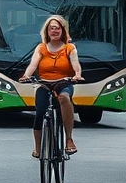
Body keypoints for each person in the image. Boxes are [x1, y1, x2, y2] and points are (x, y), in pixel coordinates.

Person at [18, 15, 83, 158]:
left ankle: (69, 139)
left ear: (63, 31)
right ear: (47, 31)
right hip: (45, 84)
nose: (54, 30)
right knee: (40, 113)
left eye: (57, 28)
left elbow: (75, 64)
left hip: (64, 83)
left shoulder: (69, 48)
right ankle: (38, 148)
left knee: (64, 98)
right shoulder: (41, 48)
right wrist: (26, 75)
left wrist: (77, 74)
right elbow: (33, 64)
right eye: (51, 28)